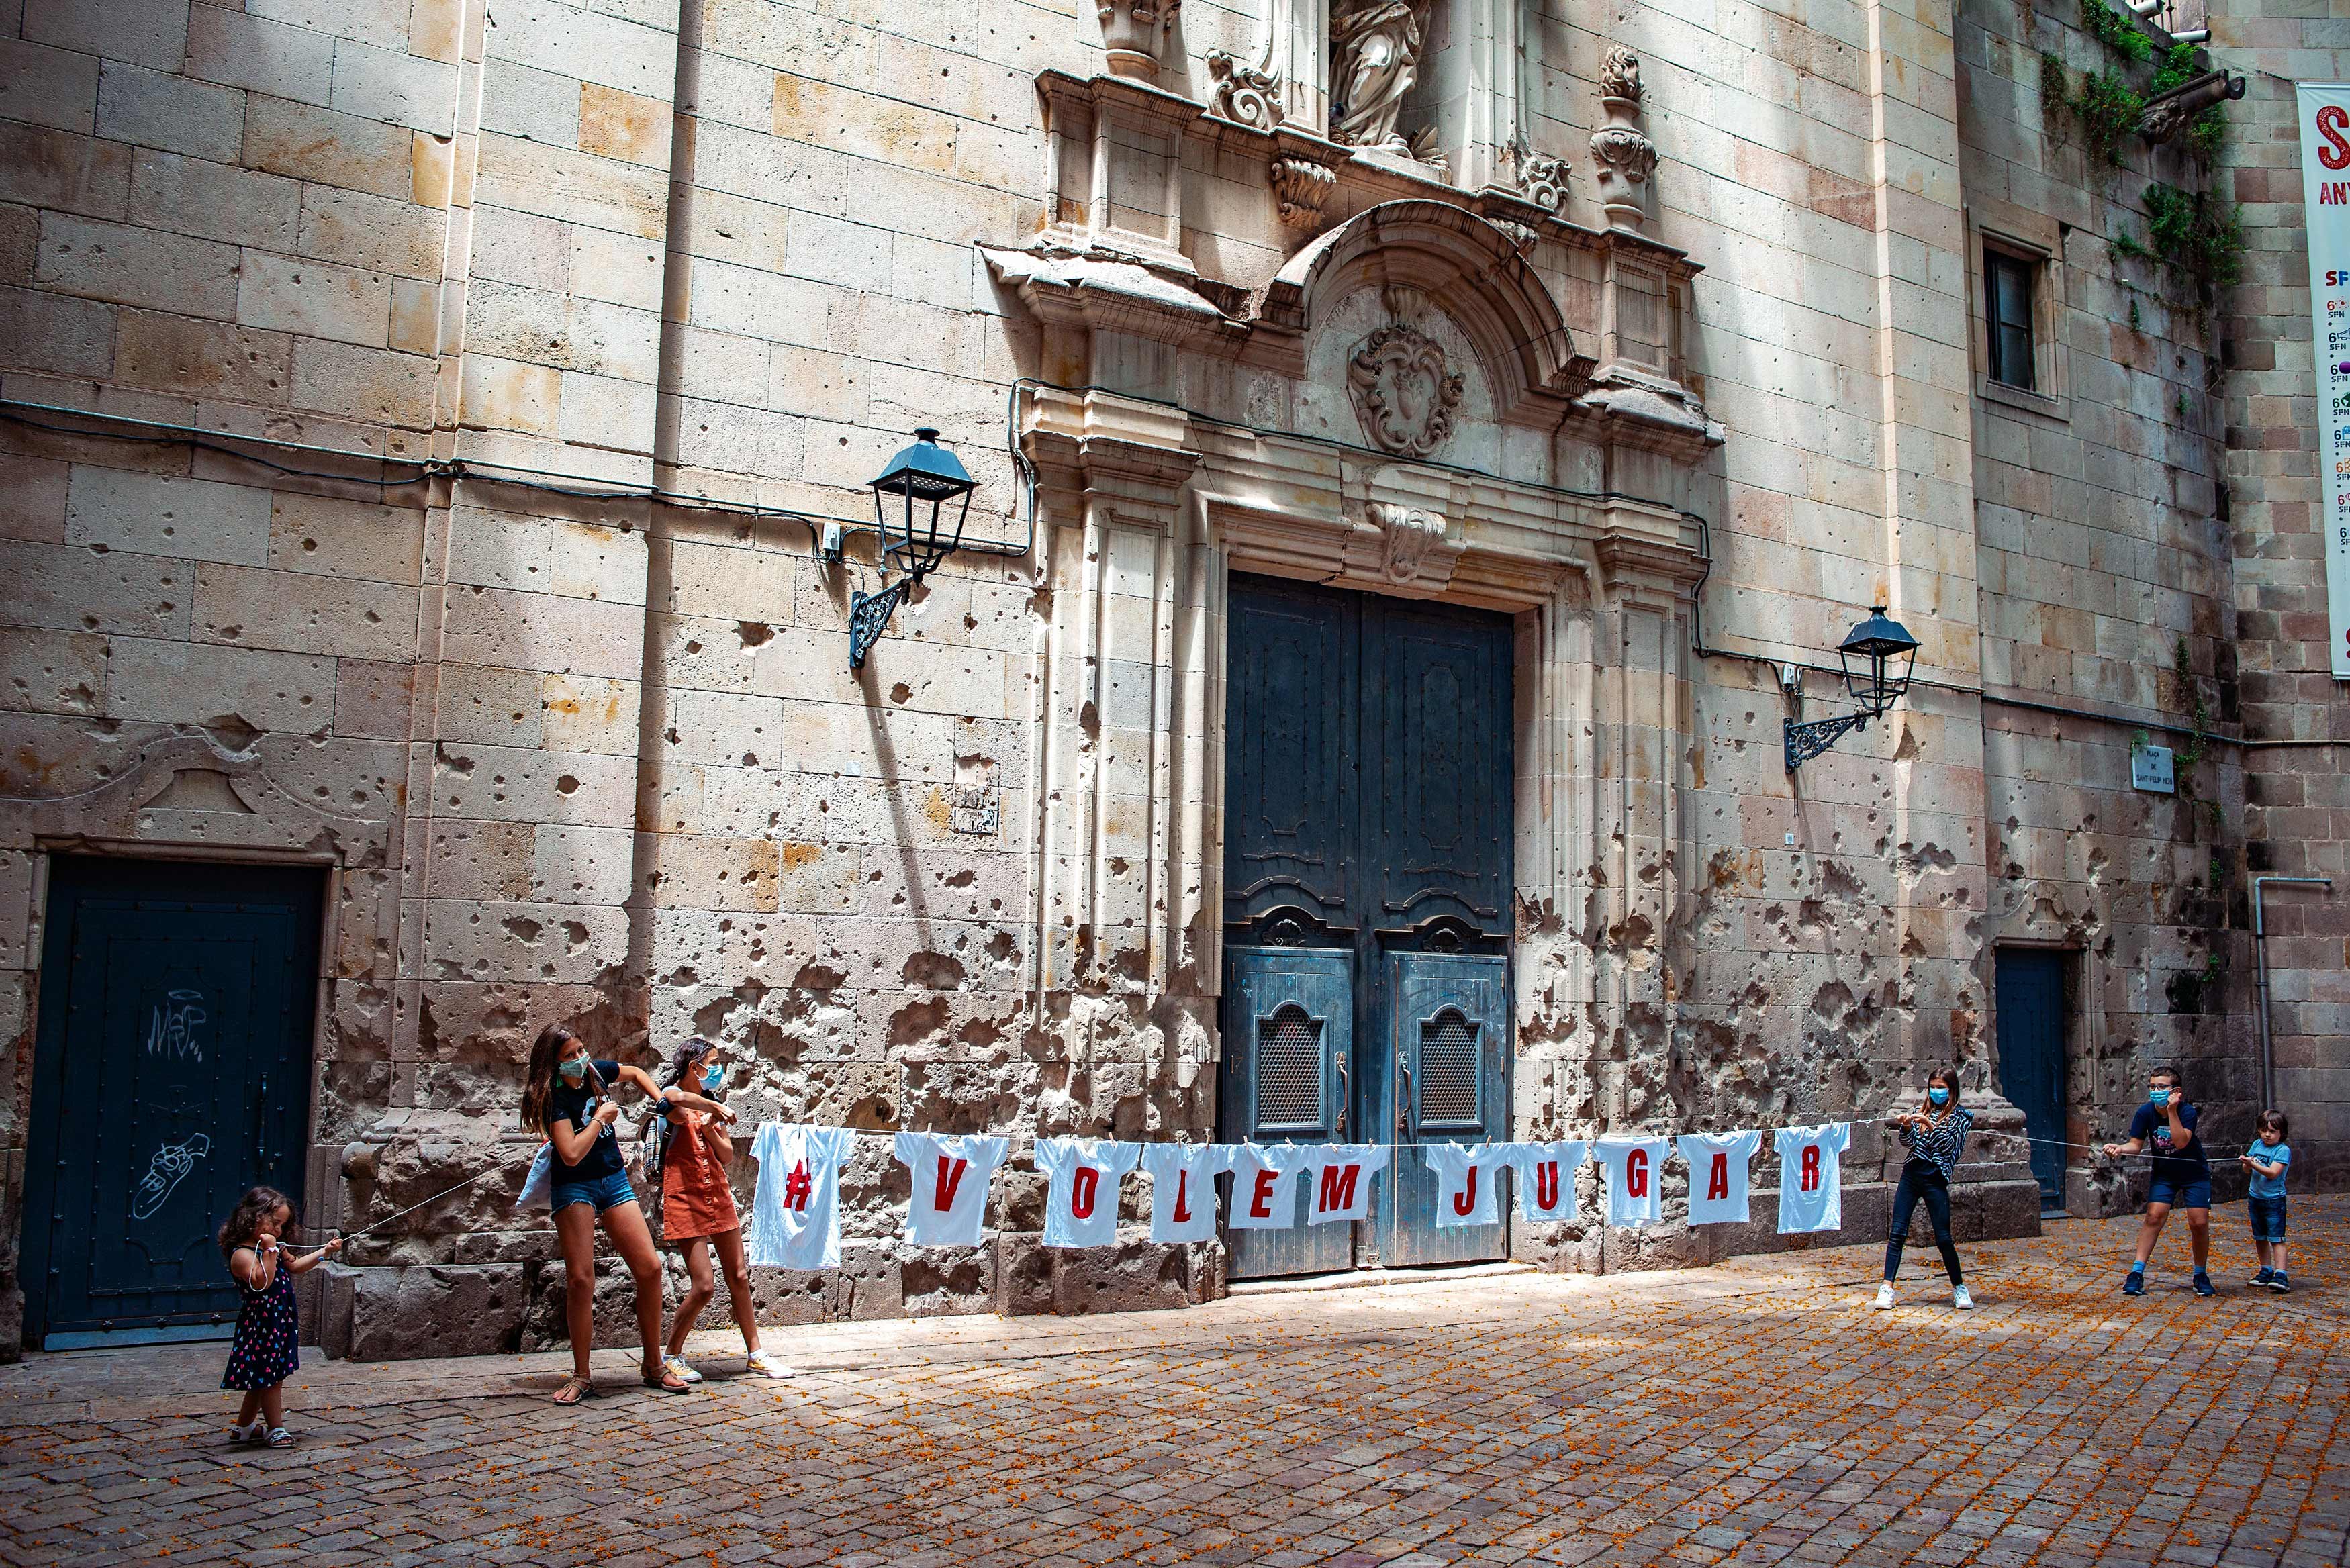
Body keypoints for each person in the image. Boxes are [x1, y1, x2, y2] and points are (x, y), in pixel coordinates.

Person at [520, 1024, 728, 1403]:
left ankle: (653, 1365)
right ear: (553, 1063)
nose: (580, 1059)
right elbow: (570, 1153)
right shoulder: (555, 1099)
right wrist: (601, 1119)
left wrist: (661, 1103)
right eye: (569, 1055)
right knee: (581, 1279)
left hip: (613, 1180)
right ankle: (582, 1375)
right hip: (575, 1186)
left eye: (581, 1049)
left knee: (649, 1268)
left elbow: (633, 1073)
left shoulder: (594, 1072)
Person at [653, 1038, 787, 1383]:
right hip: (685, 1196)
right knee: (704, 1285)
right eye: (712, 1063)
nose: (718, 1069)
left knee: (739, 1275)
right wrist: (713, 1109)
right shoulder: (670, 1095)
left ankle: (756, 1354)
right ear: (693, 1067)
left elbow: (726, 1155)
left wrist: (711, 1128)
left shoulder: (712, 1106)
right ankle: (671, 1354)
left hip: (717, 1192)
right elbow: (676, 1100)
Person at [219, 1186, 341, 1446]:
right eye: (274, 1222)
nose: (278, 1230)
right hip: (260, 1325)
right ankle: (276, 1429)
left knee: (263, 1377)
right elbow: (262, 1281)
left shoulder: (275, 1248)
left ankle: (244, 1428)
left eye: (282, 1225)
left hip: (279, 1320)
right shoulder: (242, 1254)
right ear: (253, 1216)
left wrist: (325, 1252)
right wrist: (269, 1251)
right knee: (270, 1378)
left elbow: (296, 1266)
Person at [2102, 1063, 2214, 1297]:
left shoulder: (2187, 1112)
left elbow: (2181, 1142)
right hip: (2165, 1174)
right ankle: (2136, 1273)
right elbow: (2135, 1145)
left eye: (2162, 1087)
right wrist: (2119, 1149)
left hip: (2194, 1173)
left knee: (2198, 1222)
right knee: (2154, 1216)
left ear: (2176, 1091)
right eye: (2152, 1087)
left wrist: (2171, 1111)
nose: (2155, 1091)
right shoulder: (2145, 1113)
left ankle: (2200, 1274)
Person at [1873, 1068, 1975, 1311]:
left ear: (1951, 1089)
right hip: (1912, 1174)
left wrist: (1929, 1124)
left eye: (1941, 1087)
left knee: (1944, 1238)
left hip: (1935, 1178)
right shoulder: (1920, 1110)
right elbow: (1909, 1144)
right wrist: (1907, 1126)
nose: (1936, 1092)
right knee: (1898, 1232)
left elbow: (1948, 1147)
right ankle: (1887, 1288)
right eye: (1933, 1087)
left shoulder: (1961, 1117)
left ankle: (1959, 1288)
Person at [2241, 1110, 2292, 1293]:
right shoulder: (2257, 1144)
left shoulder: (2282, 1150)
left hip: (2274, 1201)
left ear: (2281, 1133)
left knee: (2276, 1238)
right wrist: (2247, 1163)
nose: (2267, 1135)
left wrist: (2253, 1164)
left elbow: (2272, 1173)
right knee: (2260, 1237)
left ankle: (2281, 1274)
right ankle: (2266, 1270)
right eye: (2264, 1131)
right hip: (2255, 1198)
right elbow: (2246, 1170)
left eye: (2272, 1131)